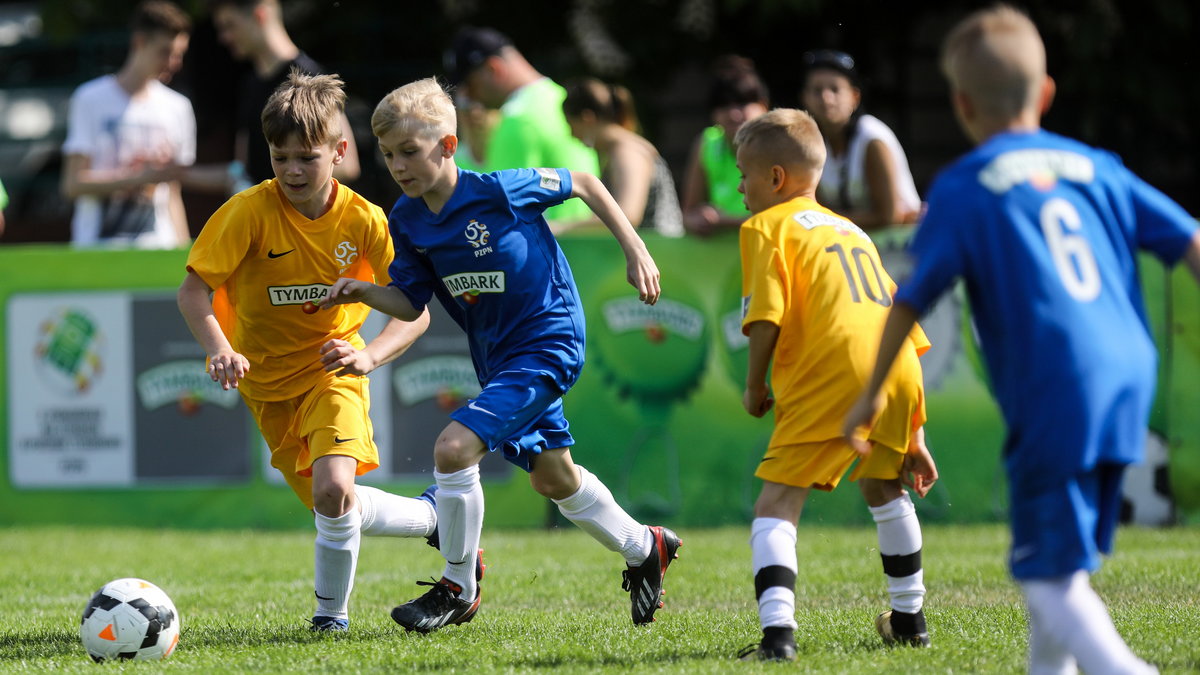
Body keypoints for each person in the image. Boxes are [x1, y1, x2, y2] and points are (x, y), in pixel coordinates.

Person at [844, 6, 1200, 674]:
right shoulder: (1098, 167)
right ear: (1045, 94)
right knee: (1062, 564)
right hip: (1130, 373)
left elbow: (909, 299)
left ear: (960, 103)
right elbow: (1189, 240)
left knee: (1046, 578)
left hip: (1057, 382)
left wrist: (869, 396)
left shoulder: (966, 186)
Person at [319, 77, 681, 632]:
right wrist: (365, 292)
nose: (397, 165)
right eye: (388, 155)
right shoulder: (408, 221)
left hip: (549, 340)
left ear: (447, 145)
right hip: (497, 359)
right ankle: (643, 546)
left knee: (454, 448)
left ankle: (458, 585)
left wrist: (635, 248)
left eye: (409, 152)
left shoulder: (500, 190)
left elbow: (584, 181)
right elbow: (410, 302)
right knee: (553, 478)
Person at [177, 70, 437, 632]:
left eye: (307, 158)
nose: (292, 170)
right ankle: (432, 518)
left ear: (339, 151)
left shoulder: (367, 220)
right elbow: (193, 288)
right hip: (267, 387)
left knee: (335, 487)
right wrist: (220, 349)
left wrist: (367, 357)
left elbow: (416, 311)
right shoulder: (247, 211)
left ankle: (329, 619)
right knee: (334, 504)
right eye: (279, 158)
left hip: (333, 371)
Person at [733, 108, 938, 661]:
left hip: (834, 370)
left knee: (776, 502)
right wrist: (914, 431)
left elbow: (765, 317)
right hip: (898, 367)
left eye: (744, 173)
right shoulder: (852, 229)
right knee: (885, 489)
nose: (738, 186)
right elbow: (900, 321)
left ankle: (777, 637)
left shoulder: (763, 226)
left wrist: (755, 386)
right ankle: (910, 621)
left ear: (775, 179)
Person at [61, 0, 196, 248]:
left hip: (157, 249)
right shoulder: (90, 99)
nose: (174, 62)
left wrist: (184, 254)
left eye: (179, 54)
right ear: (139, 42)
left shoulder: (178, 107)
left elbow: (172, 193)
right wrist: (138, 178)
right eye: (165, 52)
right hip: (97, 252)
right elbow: (72, 184)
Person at [443, 26, 599, 222]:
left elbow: (500, 210)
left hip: (553, 246)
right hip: (584, 244)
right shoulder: (561, 98)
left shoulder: (517, 119)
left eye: (470, 86)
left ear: (494, 69)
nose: (469, 97)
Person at [209, 0, 361, 185]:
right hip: (262, 213)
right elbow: (242, 170)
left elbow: (346, 166)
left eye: (230, 25)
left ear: (260, 15)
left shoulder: (310, 77)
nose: (224, 37)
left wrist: (287, 186)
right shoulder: (250, 85)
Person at [801, 49, 922, 230]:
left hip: (900, 249)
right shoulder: (811, 143)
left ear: (855, 97)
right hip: (853, 248)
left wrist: (821, 219)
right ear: (805, 98)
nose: (826, 98)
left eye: (835, 89)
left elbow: (888, 217)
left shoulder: (872, 139)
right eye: (817, 90)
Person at [561, 77, 684, 237]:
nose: (572, 135)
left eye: (571, 125)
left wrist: (561, 228)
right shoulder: (617, 150)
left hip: (657, 255)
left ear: (587, 118)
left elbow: (628, 216)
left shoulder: (627, 151)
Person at [680, 55, 768, 237]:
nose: (734, 114)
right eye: (725, 104)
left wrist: (722, 221)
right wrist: (698, 219)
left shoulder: (782, 145)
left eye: (743, 103)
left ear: (764, 106)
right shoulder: (707, 142)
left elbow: (783, 219)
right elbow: (688, 214)